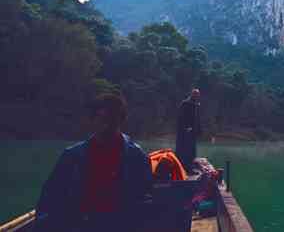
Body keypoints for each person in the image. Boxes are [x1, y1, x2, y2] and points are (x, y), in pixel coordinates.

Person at [35, 93, 152, 232]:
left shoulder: (136, 157)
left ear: (121, 120)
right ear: (92, 120)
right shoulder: (72, 156)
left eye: (112, 119)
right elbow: (50, 201)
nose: (107, 125)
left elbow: (145, 200)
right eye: (102, 119)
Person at [176, 88, 202, 171]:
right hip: (185, 132)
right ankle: (186, 168)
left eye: (197, 94)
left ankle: (190, 167)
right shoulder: (185, 103)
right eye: (195, 94)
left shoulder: (196, 104)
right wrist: (186, 127)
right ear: (192, 94)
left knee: (192, 150)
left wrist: (199, 130)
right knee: (185, 150)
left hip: (193, 132)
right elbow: (181, 117)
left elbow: (197, 119)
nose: (196, 96)